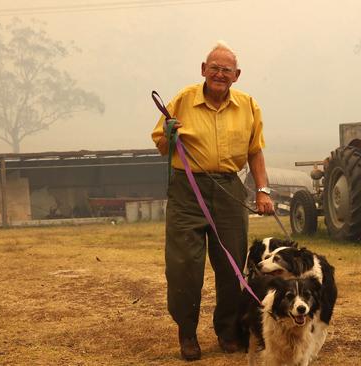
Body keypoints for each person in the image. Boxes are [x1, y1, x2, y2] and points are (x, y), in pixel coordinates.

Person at [151, 40, 274, 361]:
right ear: (203, 70)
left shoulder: (249, 105)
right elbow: (163, 147)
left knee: (232, 266)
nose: (220, 74)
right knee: (183, 267)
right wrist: (169, 133)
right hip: (186, 191)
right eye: (214, 68)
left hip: (229, 189)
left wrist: (263, 190)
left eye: (226, 70)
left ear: (237, 75)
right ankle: (187, 334)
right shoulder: (182, 100)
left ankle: (228, 331)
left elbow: (255, 151)